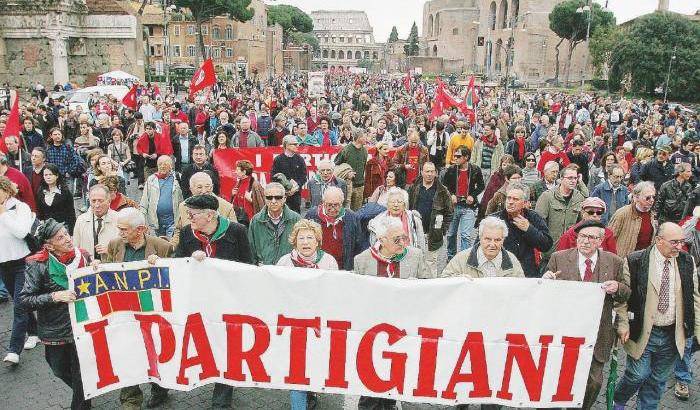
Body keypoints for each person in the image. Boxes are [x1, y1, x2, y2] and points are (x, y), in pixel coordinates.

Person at [174, 194, 252, 408]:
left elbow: (248, 266)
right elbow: (177, 263)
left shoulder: (237, 231)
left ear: (210, 215)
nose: (189, 217)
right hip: (199, 305)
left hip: (228, 304)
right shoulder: (187, 234)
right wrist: (191, 260)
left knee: (227, 350)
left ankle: (221, 401)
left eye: (193, 214)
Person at [543, 220, 630, 410]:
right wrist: (546, 280)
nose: (585, 241)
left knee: (593, 383)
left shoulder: (614, 261)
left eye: (591, 237)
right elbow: (544, 293)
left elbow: (626, 291)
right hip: (564, 332)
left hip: (598, 333)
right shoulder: (559, 258)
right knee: (557, 379)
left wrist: (617, 287)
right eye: (582, 236)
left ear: (601, 240)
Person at [613, 223, 700, 410]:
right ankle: (618, 400)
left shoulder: (687, 261)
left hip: (673, 335)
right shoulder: (635, 260)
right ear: (659, 241)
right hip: (644, 331)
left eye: (682, 242)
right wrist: (623, 324)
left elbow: (695, 298)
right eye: (674, 242)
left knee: (658, 380)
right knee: (637, 374)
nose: (679, 246)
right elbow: (622, 298)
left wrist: (697, 331)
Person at [99, 208, 172, 409]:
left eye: (123, 229)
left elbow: (173, 279)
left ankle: (159, 388)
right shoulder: (115, 245)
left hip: (152, 315)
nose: (119, 233)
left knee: (154, 355)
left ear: (140, 229)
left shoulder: (161, 247)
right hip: (124, 316)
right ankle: (130, 399)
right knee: (127, 355)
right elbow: (108, 274)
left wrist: (160, 265)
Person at [19, 219, 92, 410]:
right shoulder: (37, 265)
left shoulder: (83, 256)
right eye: (61, 237)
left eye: (67, 234)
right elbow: (25, 300)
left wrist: (96, 269)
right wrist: (54, 296)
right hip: (55, 330)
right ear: (49, 245)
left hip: (82, 325)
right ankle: (86, 392)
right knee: (59, 370)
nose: (68, 239)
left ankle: (83, 401)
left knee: (80, 373)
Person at [0, 176, 38, 365]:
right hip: (3, 264)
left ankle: (14, 349)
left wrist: (4, 215)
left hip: (21, 262)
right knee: (19, 301)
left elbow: (22, 232)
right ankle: (34, 330)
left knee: (19, 306)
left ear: (6, 191)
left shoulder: (19, 208)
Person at [493, 182, 552, 278]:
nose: (510, 202)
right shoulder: (495, 219)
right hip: (502, 273)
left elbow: (546, 245)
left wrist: (529, 229)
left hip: (527, 273)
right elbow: (479, 246)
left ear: (524, 203)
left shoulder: (534, 217)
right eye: (509, 198)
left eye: (515, 199)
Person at [407, 161, 453, 277]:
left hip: (433, 234)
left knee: (430, 262)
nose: (429, 174)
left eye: (432, 172)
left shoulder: (443, 191)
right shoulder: (414, 188)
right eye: (427, 171)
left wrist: (443, 230)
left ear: (436, 173)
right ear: (422, 172)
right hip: (416, 233)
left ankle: (431, 287)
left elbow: (449, 212)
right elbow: (407, 208)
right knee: (415, 261)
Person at [441, 216, 525, 279]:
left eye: (497, 240)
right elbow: (444, 281)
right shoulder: (461, 259)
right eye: (488, 239)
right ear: (480, 238)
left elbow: (521, 288)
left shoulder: (512, 261)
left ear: (503, 240)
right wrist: (458, 280)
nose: (492, 244)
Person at [535, 164, 585, 265]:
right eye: (570, 178)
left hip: (571, 252)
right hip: (549, 251)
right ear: (561, 179)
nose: (573, 181)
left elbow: (581, 224)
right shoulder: (547, 197)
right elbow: (538, 224)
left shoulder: (579, 198)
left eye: (575, 178)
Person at [304, 186, 362, 270]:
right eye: (329, 205)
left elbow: (358, 244)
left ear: (342, 203)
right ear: (323, 202)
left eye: (336, 205)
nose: (332, 209)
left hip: (342, 268)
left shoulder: (352, 217)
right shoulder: (312, 216)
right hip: (318, 267)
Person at [172, 172, 236, 247]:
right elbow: (179, 231)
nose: (204, 191)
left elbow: (235, 234)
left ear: (212, 187)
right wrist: (172, 247)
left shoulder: (226, 207)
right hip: (191, 252)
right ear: (191, 189)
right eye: (199, 187)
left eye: (207, 186)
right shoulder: (184, 206)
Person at [443, 146, 485, 260]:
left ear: (466, 157)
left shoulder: (475, 170)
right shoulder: (451, 169)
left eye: (458, 156)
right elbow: (444, 185)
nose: (455, 158)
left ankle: (463, 259)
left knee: (465, 236)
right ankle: (451, 257)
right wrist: (451, 194)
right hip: (453, 207)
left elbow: (481, 186)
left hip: (468, 207)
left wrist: (473, 195)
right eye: (455, 155)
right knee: (451, 234)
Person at [248, 182, 301, 265]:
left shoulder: (296, 219)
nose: (273, 201)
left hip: (288, 270)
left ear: (284, 198)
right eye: (269, 198)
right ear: (265, 199)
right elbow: (251, 250)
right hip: (264, 271)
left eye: (278, 197)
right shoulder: (256, 221)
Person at [609, 181, 656, 257]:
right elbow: (609, 237)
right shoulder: (622, 213)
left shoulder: (653, 215)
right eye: (648, 197)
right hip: (624, 260)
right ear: (636, 197)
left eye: (653, 197)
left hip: (644, 259)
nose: (652, 200)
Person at [139, 155, 183, 238]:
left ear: (171, 165)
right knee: (159, 247)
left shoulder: (178, 178)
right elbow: (144, 203)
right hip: (156, 223)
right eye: (160, 164)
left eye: (165, 164)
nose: (162, 166)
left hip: (174, 222)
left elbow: (184, 200)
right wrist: (143, 222)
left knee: (171, 247)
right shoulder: (151, 179)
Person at [271, 135, 307, 213]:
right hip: (281, 196)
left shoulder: (300, 159)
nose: (297, 146)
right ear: (286, 145)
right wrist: (285, 190)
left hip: (296, 196)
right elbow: (273, 177)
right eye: (294, 144)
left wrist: (296, 187)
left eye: (297, 144)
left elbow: (304, 177)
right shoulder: (278, 159)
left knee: (296, 217)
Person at [334, 129, 369, 210]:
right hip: (347, 185)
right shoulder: (346, 150)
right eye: (365, 137)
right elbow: (337, 164)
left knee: (357, 211)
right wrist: (346, 173)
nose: (367, 139)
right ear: (359, 138)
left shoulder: (364, 151)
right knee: (344, 209)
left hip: (360, 186)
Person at [36, 164, 77, 232]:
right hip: (47, 228)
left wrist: (72, 232)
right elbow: (40, 211)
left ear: (57, 176)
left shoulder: (65, 192)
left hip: (62, 227)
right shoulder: (41, 191)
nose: (48, 177)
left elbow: (71, 213)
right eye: (46, 175)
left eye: (50, 174)